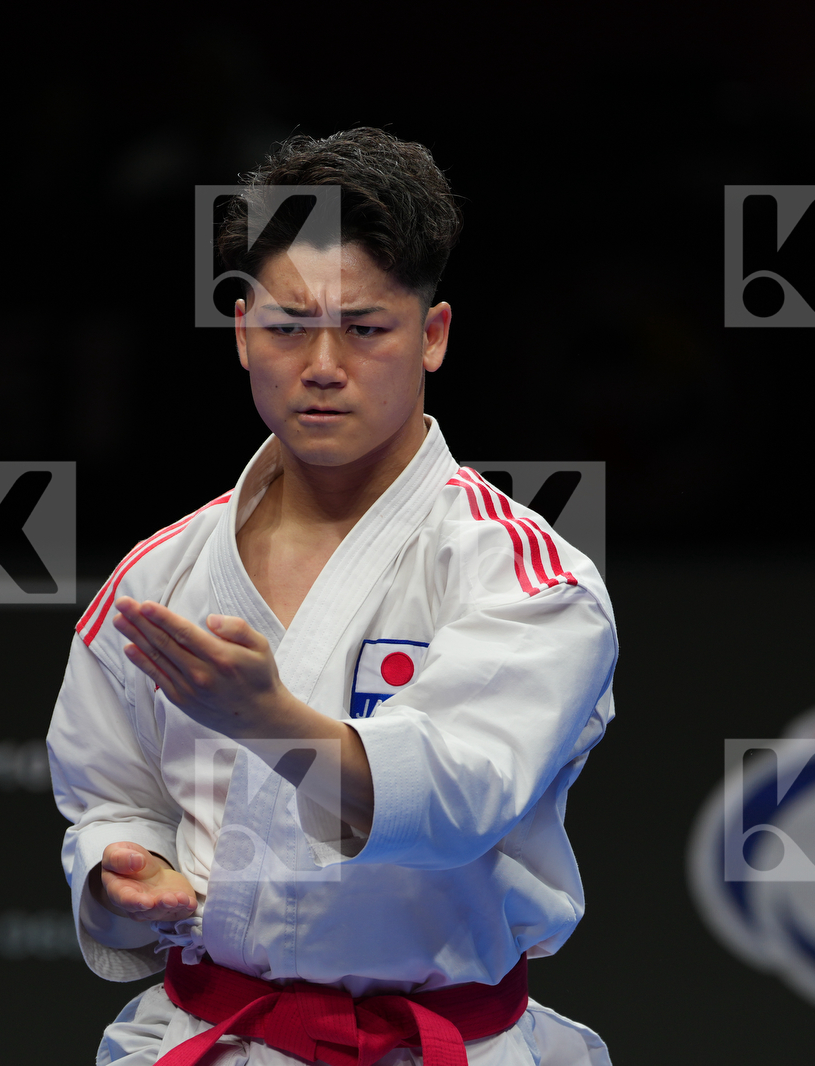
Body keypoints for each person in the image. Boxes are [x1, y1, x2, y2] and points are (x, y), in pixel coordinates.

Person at [48, 128, 618, 1066]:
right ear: (241, 333)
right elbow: (106, 794)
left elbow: (454, 797)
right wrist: (120, 878)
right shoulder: (158, 575)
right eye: (286, 326)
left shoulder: (522, 573)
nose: (321, 364)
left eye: (364, 327)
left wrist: (267, 718)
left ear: (431, 337)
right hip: (211, 1039)